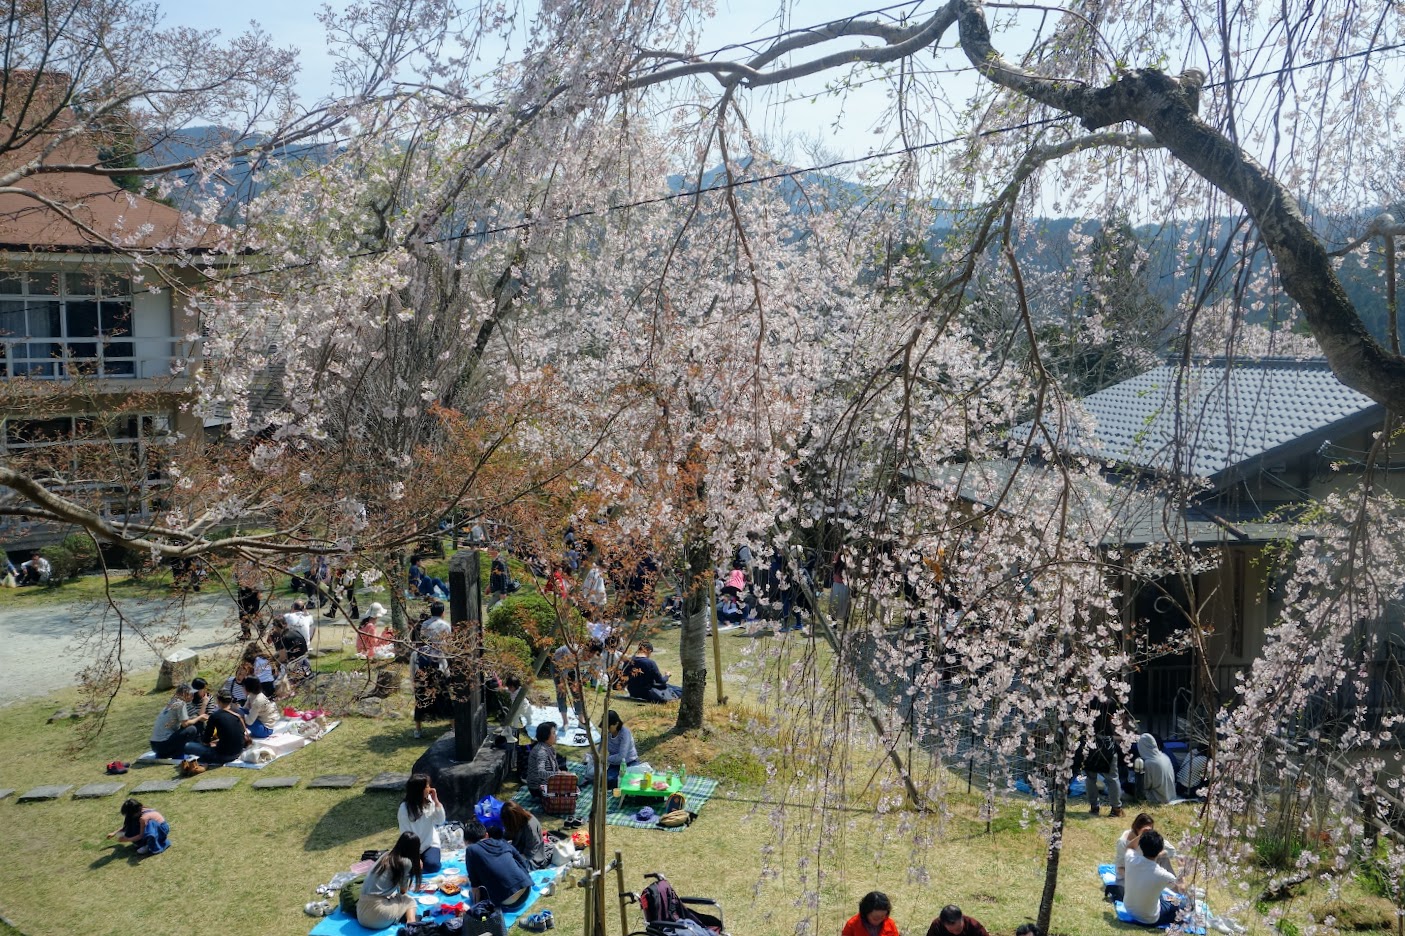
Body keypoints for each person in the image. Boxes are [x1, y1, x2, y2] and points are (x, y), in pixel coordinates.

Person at [357, 832, 423, 929]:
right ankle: (411, 925)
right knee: (409, 901)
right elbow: (403, 891)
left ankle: (398, 916)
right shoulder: (405, 862)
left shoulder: (385, 856)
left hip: (361, 913)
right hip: (378, 916)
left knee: (393, 896)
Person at [464, 820, 535, 911]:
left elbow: (474, 884)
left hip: (508, 901)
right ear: (486, 835)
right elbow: (521, 862)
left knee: (472, 893)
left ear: (466, 842)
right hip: (526, 890)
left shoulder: (471, 850)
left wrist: (476, 904)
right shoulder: (502, 842)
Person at [1123, 829, 1188, 926]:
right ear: (1160, 849)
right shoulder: (1162, 875)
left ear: (1141, 845)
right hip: (1150, 918)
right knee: (1185, 904)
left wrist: (1141, 834)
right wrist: (1182, 868)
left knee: (1160, 895)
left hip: (1129, 909)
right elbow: (1182, 889)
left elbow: (1130, 847)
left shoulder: (1131, 859)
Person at [1112, 813, 1175, 900]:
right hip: (1130, 877)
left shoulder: (1149, 838)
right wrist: (1136, 879)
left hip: (1146, 870)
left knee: (1164, 858)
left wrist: (1158, 855)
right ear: (1137, 829)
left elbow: (1172, 850)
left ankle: (1176, 887)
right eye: (1146, 831)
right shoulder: (1123, 842)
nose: (1148, 833)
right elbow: (1120, 868)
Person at [184, 689, 250, 766]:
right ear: (231, 700)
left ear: (218, 701)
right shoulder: (239, 712)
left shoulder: (215, 716)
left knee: (188, 746)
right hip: (238, 752)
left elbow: (206, 740)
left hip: (222, 755)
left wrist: (212, 743)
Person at [397, 774, 447, 873]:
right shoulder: (404, 809)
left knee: (433, 866)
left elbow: (440, 821)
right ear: (419, 790)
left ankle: (427, 858)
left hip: (429, 843)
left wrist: (436, 801)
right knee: (409, 868)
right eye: (427, 786)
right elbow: (406, 835)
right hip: (411, 846)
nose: (430, 789)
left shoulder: (429, 801)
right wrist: (415, 856)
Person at [553, 639, 603, 727]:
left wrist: (581, 682)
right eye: (589, 652)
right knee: (562, 692)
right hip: (558, 664)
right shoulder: (573, 653)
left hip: (573, 666)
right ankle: (565, 722)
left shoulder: (597, 658)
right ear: (584, 648)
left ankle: (581, 720)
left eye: (594, 653)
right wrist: (561, 683)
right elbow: (564, 672)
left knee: (577, 693)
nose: (591, 655)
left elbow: (590, 672)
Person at [411, 635, 450, 740]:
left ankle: (418, 731)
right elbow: (445, 669)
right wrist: (448, 680)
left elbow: (412, 671)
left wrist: (413, 685)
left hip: (422, 681)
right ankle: (454, 727)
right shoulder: (438, 652)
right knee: (446, 703)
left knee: (420, 705)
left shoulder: (415, 653)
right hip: (437, 681)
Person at [1086, 708, 1123, 817]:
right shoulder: (1110, 703)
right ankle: (1116, 808)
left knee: (1090, 777)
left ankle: (1094, 806)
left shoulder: (1086, 702)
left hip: (1091, 740)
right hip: (1107, 743)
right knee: (1112, 778)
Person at [150, 684, 198, 759]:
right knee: (192, 729)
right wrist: (199, 718)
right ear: (184, 694)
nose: (193, 696)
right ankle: (178, 753)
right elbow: (185, 724)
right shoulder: (181, 703)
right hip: (163, 745)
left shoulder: (172, 702)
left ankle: (165, 754)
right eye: (191, 694)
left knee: (184, 729)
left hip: (155, 746)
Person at [501, 799, 550, 869]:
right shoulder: (517, 822)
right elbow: (507, 834)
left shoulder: (530, 827)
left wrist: (514, 858)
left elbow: (530, 853)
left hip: (532, 859)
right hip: (519, 850)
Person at [525, 722, 564, 798]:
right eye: (553, 733)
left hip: (546, 783)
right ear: (546, 736)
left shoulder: (548, 747)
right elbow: (541, 773)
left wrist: (559, 773)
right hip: (538, 788)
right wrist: (558, 774)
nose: (556, 735)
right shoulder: (541, 751)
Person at [1136, 733, 1177, 804]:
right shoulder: (1164, 756)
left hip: (1157, 797)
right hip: (1171, 795)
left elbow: (1146, 785)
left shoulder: (1149, 763)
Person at [605, 710, 641, 788]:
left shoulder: (625, 733)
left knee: (633, 780)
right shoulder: (606, 733)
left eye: (609, 726)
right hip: (615, 764)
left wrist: (606, 759)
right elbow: (601, 748)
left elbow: (622, 755)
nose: (607, 729)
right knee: (607, 781)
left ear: (616, 724)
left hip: (630, 762)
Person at [925, 905, 990, 936]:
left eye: (958, 929)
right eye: (951, 931)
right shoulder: (937, 926)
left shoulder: (973, 925)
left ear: (962, 918)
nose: (956, 933)